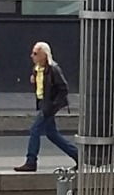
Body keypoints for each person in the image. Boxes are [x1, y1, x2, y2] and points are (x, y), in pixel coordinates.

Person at [14, 41, 77, 172]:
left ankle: (31, 161)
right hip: (44, 104)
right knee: (52, 134)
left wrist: (53, 106)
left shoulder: (53, 69)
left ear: (44, 55)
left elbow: (63, 88)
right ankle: (79, 156)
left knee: (35, 130)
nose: (32, 56)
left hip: (49, 106)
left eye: (35, 53)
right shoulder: (37, 69)